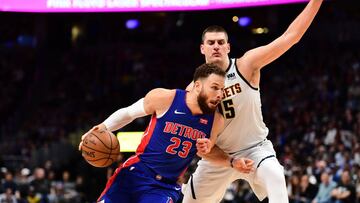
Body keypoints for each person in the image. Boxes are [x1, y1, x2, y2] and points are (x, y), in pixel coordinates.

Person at [182, 0, 324, 203]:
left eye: (221, 42)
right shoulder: (193, 90)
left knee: (276, 176)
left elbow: (290, 37)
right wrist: (226, 159)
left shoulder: (245, 65)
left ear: (228, 47)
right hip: (220, 156)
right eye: (211, 43)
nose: (216, 47)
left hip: (255, 148)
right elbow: (198, 140)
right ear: (202, 48)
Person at [78, 63, 253, 203]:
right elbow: (128, 113)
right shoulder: (166, 98)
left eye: (222, 89)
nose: (220, 94)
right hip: (136, 172)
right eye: (215, 87)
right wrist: (102, 127)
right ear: (198, 86)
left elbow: (207, 152)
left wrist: (231, 161)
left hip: (165, 187)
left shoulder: (216, 120)